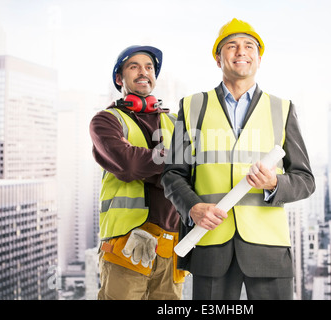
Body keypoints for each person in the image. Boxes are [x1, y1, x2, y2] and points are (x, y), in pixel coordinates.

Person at [161, 18, 315, 300]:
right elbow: (173, 174)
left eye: (249, 46)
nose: (240, 51)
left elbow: (305, 180)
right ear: (218, 59)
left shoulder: (282, 108)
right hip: (211, 244)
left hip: (268, 246)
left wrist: (274, 184)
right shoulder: (193, 106)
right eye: (231, 46)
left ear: (259, 58)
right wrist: (193, 207)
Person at [89, 45, 186, 300]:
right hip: (126, 247)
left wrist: (153, 165)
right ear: (119, 79)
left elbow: (193, 170)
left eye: (149, 67)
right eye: (134, 66)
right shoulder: (107, 121)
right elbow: (128, 164)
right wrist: (174, 162)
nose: (143, 72)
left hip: (170, 248)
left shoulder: (175, 121)